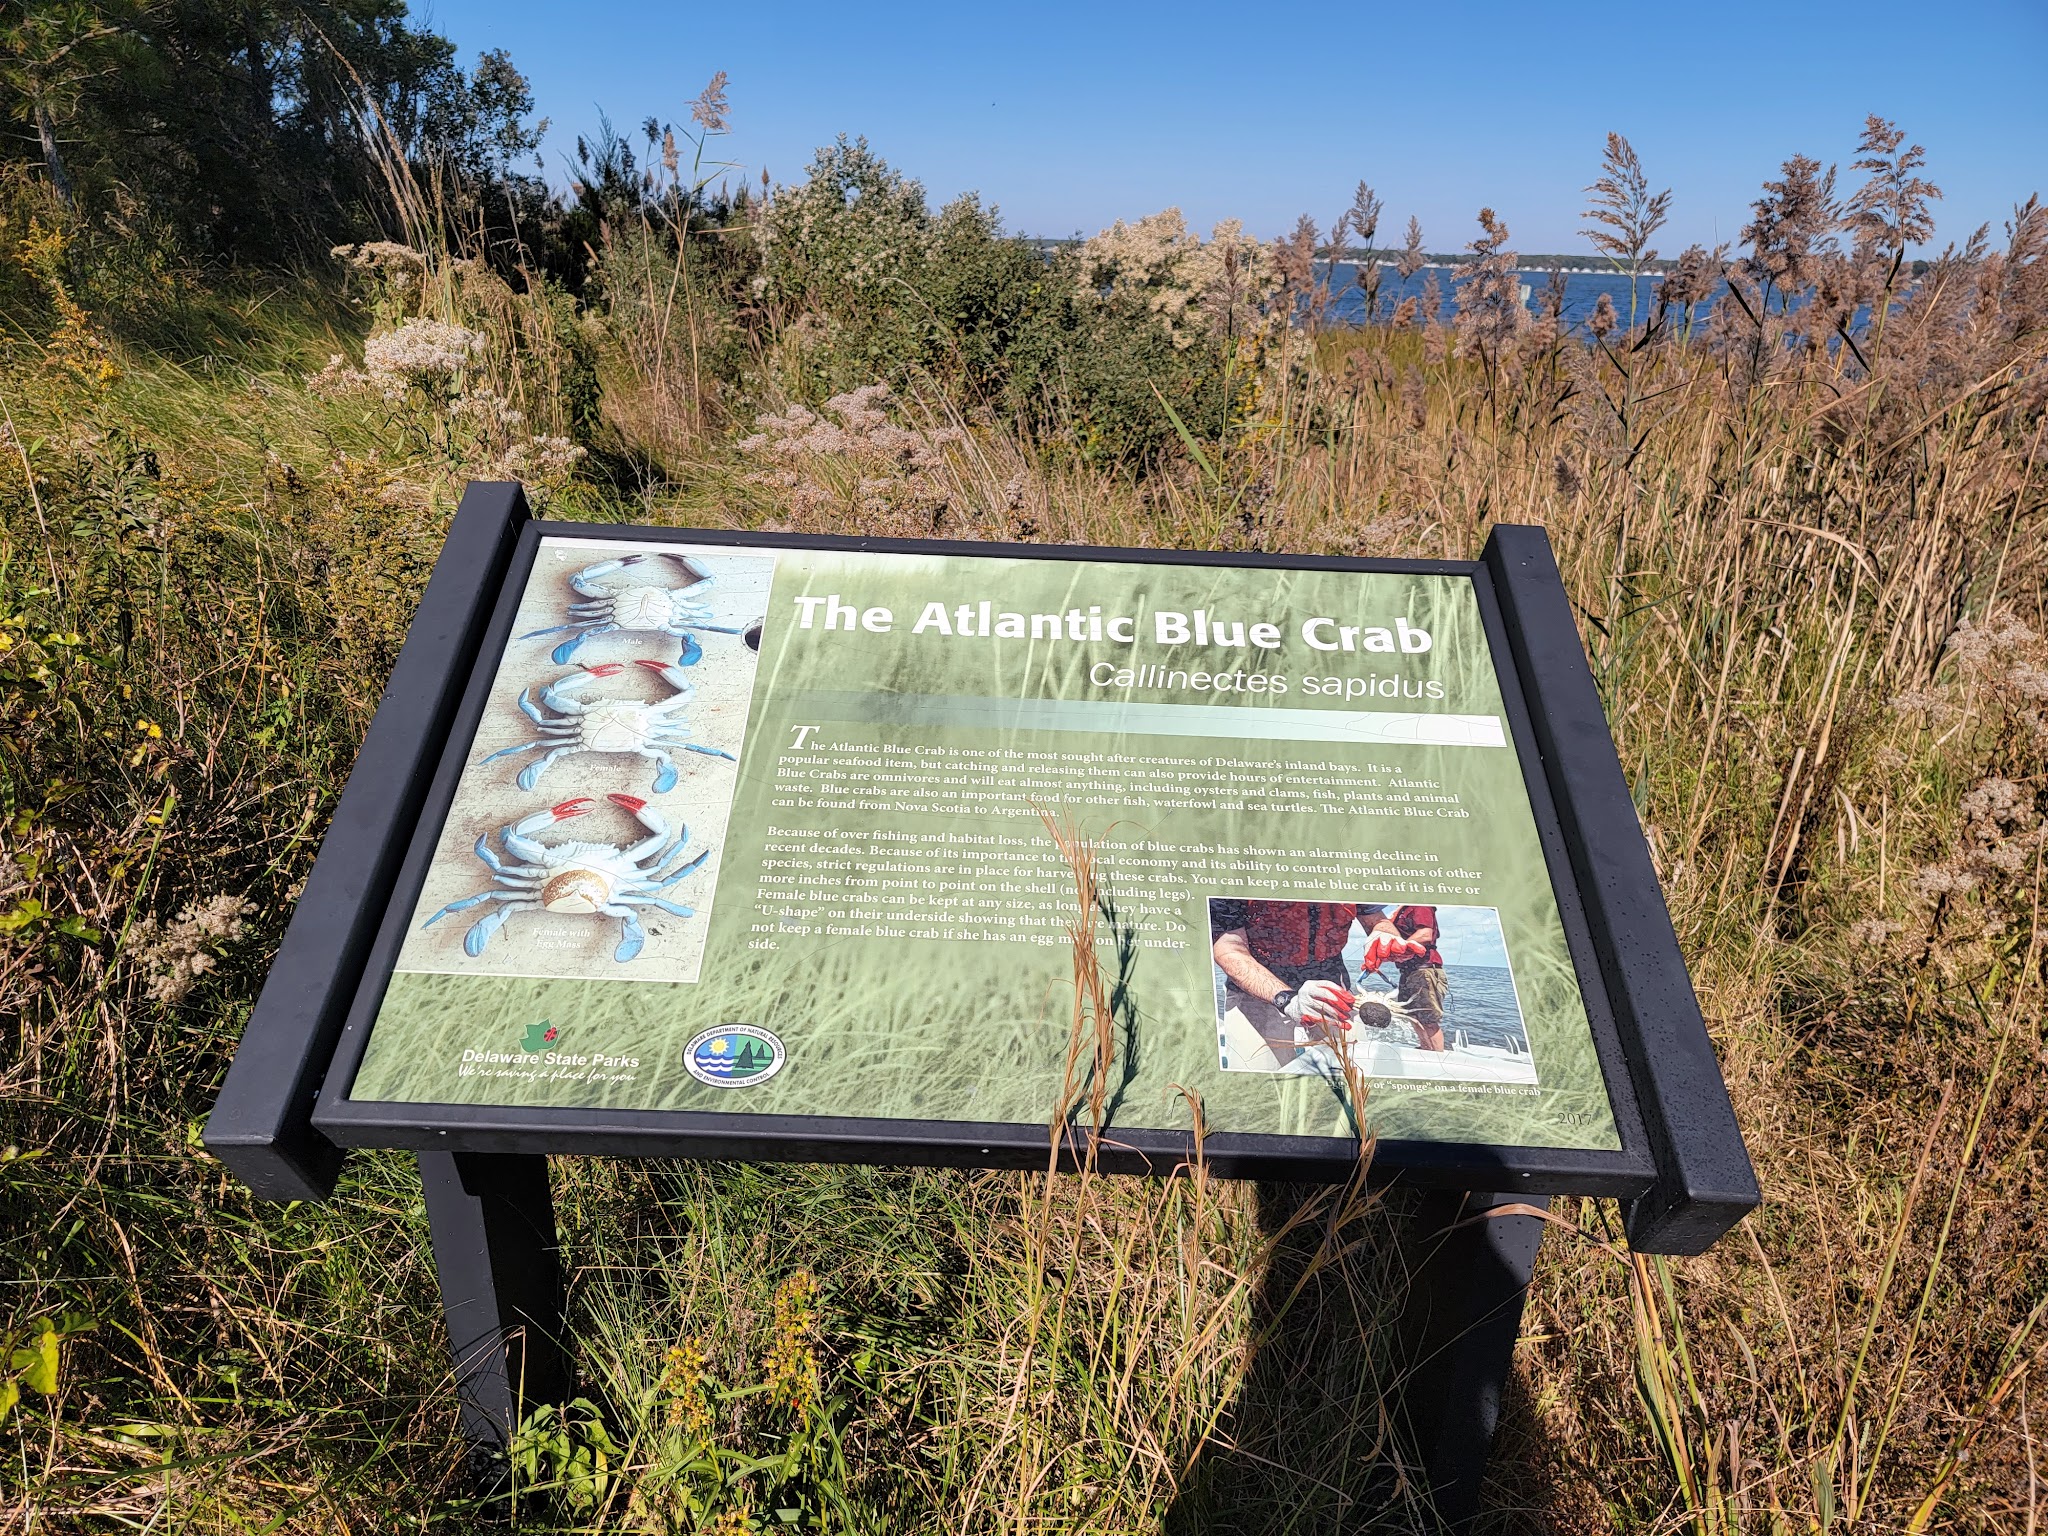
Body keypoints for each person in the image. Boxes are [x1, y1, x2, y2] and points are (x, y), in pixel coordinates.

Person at [1209, 899, 1359, 1069]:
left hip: (1328, 990)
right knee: (1257, 1084)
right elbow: (1229, 948)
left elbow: (1375, 919)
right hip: (1256, 990)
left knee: (1351, 1071)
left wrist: (1383, 931)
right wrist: (1287, 999)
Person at [1358, 903, 1446, 1051]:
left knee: (1428, 1019)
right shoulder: (1401, 910)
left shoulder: (1419, 905)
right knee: (1412, 1015)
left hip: (1424, 970)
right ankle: (1425, 1048)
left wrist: (1400, 946)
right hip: (1408, 971)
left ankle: (1438, 1056)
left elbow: (1426, 933)